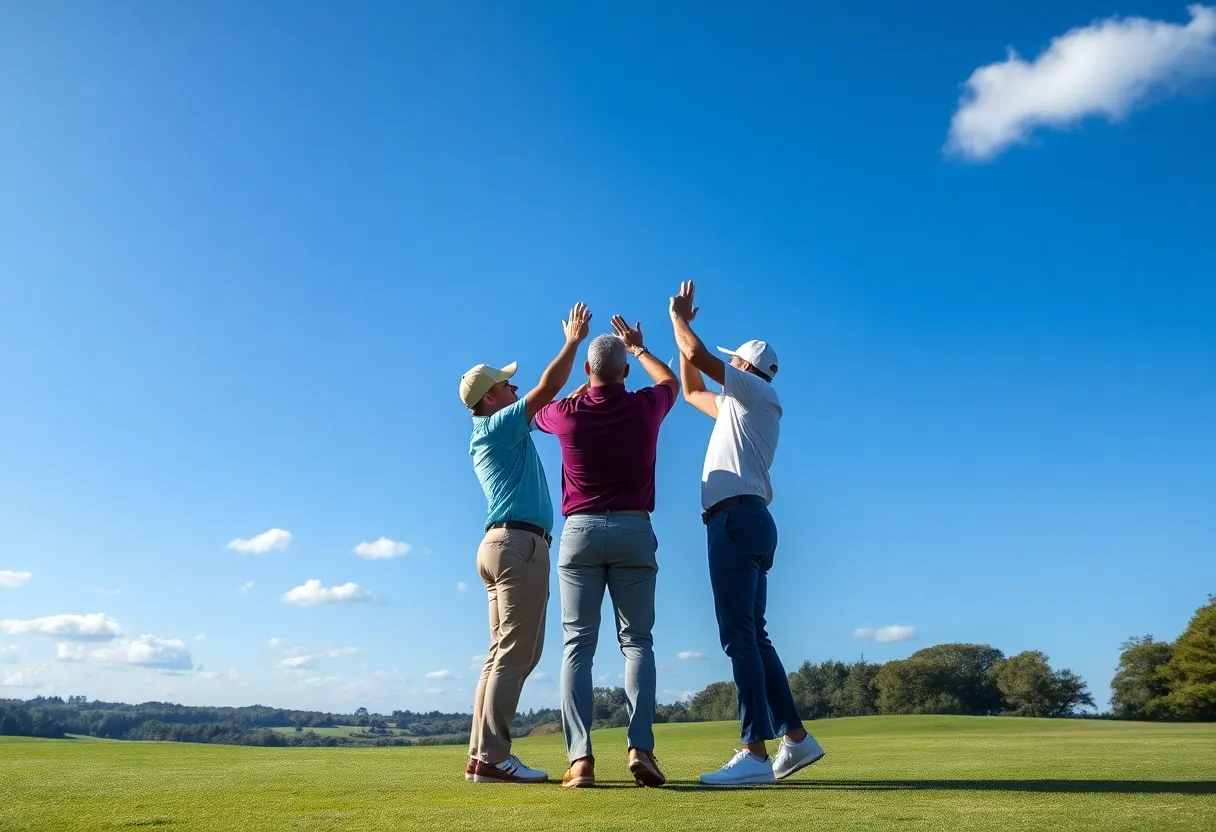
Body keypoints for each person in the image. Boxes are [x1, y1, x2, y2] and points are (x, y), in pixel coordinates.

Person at [668, 281, 826, 786]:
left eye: (734, 362)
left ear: (745, 368)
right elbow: (691, 387)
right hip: (746, 521)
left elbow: (694, 351)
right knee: (753, 636)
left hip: (736, 521)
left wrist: (679, 318)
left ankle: (754, 752)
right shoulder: (739, 408)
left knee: (739, 637)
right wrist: (673, 338)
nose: (729, 365)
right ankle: (796, 740)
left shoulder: (757, 393)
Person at [533, 316, 679, 789]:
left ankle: (580, 760)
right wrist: (638, 349)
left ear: (590, 372)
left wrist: (580, 372)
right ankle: (640, 749)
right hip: (635, 528)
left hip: (579, 533)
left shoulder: (568, 413)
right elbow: (670, 381)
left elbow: (538, 408)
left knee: (578, 646)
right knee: (637, 642)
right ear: (624, 373)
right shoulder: (644, 407)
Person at [459, 301, 592, 784]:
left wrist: (577, 390)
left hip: (499, 545)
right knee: (517, 653)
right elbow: (545, 390)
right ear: (491, 398)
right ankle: (493, 759)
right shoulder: (496, 425)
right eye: (506, 383)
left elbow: (550, 403)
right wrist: (574, 342)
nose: (514, 386)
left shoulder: (498, 428)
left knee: (502, 653)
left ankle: (481, 756)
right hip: (519, 546)